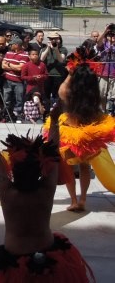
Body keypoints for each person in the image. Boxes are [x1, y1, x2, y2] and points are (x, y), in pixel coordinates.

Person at [0, 100, 94, 282]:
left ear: (13, 170)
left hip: (16, 257)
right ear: (41, 168)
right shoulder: (46, 190)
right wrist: (55, 121)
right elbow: (54, 151)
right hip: (49, 255)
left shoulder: (7, 193)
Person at [44, 43, 115, 213]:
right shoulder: (92, 95)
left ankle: (74, 201)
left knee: (68, 167)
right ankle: (83, 199)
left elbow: (61, 91)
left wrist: (70, 74)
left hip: (69, 134)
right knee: (84, 167)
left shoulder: (69, 93)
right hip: (88, 136)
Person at [40, 31, 68, 114]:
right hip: (48, 74)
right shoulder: (44, 48)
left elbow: (61, 60)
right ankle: (46, 113)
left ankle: (58, 112)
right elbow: (41, 59)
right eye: (52, 39)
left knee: (57, 95)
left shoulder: (62, 49)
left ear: (59, 39)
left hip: (58, 74)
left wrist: (56, 50)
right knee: (46, 94)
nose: (54, 41)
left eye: (55, 39)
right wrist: (48, 48)